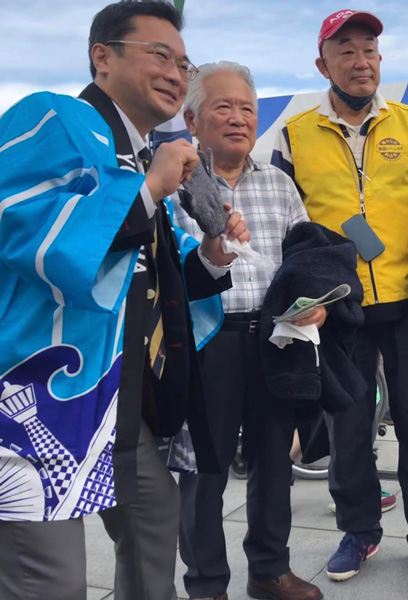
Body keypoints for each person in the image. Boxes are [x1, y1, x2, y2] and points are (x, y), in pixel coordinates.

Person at [0, 3, 251, 600]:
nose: (175, 72)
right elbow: (26, 232)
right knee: (49, 579)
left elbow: (152, 276)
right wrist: (153, 186)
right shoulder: (54, 117)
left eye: (183, 63)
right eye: (159, 55)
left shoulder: (142, 158)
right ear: (102, 56)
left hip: (120, 401)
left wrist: (213, 250)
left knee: (154, 527)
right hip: (40, 399)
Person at [271, 9, 408, 592]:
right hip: (338, 310)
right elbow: (286, 229)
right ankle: (360, 527)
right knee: (348, 428)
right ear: (322, 63)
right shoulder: (294, 134)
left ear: (382, 59)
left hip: (407, 302)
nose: (361, 61)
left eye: (370, 49)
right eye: (346, 50)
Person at [173, 61, 324, 600]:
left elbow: (303, 258)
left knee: (273, 461)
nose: (238, 118)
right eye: (223, 106)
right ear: (192, 117)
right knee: (204, 471)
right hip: (206, 341)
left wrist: (316, 305)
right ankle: (207, 584)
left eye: (247, 109)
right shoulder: (175, 183)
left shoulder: (279, 184)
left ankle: (268, 570)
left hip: (273, 337)